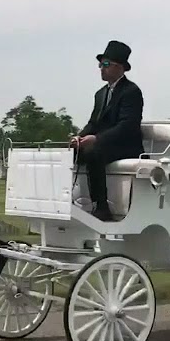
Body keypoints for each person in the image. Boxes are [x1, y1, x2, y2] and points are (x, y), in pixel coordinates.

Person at [71, 40, 145, 221]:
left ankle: (102, 206)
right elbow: (93, 123)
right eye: (100, 64)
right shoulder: (100, 94)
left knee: (94, 152)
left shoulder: (131, 92)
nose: (101, 69)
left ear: (120, 67)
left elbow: (127, 126)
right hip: (105, 143)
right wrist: (79, 138)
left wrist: (96, 139)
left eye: (105, 64)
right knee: (72, 152)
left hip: (126, 146)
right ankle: (69, 200)